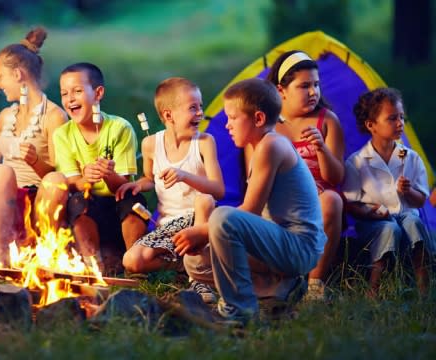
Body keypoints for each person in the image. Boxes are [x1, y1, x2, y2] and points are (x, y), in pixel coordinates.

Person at [175, 78, 327, 325]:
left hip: (299, 247)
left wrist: (201, 231)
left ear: (257, 119)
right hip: (278, 246)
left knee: (222, 217)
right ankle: (277, 289)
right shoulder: (261, 148)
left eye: (232, 118)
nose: (226, 125)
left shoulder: (272, 145)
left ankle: (239, 310)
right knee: (197, 261)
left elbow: (250, 212)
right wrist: (205, 237)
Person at [0, 27, 67, 265]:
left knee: (54, 181)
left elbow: (59, 177)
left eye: (0, 76)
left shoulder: (54, 116)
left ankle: (45, 253)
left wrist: (35, 161)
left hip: (38, 208)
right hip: (0, 208)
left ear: (18, 74)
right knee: (1, 171)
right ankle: (1, 258)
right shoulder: (5, 115)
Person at [117, 77, 224, 302]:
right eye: (193, 108)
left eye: (201, 107)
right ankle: (183, 266)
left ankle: (200, 280)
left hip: (198, 220)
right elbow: (150, 178)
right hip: (167, 225)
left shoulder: (204, 142)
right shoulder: (151, 145)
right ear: (168, 115)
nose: (200, 113)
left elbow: (218, 190)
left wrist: (185, 176)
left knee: (204, 200)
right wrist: (138, 185)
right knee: (132, 260)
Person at [50, 62, 148, 271]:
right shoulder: (63, 134)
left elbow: (123, 186)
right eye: (64, 93)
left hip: (117, 204)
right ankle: (94, 265)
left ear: (98, 93)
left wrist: (108, 174)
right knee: (77, 202)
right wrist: (86, 179)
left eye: (77, 91)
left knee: (133, 200)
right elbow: (72, 183)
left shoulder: (120, 128)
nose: (70, 99)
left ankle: (135, 262)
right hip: (88, 211)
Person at [264, 50, 345, 301]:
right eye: (305, 86)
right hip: (277, 201)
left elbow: (336, 178)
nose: (313, 92)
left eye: (317, 85)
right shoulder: (265, 123)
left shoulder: (327, 121)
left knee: (333, 200)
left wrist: (321, 148)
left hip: (317, 200)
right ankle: (280, 280)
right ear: (281, 90)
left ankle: (315, 285)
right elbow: (254, 176)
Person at [343, 88, 432, 297]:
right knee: (389, 228)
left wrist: (408, 192)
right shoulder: (357, 162)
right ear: (371, 125)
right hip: (374, 223)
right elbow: (352, 204)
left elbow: (420, 201)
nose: (400, 123)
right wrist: (370, 212)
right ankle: (373, 289)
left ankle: (424, 287)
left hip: (405, 217)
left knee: (414, 221)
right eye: (392, 118)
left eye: (401, 117)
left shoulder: (410, 157)